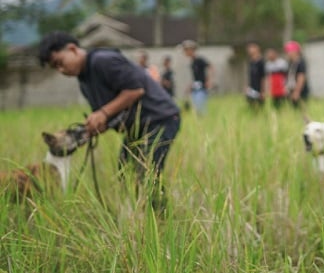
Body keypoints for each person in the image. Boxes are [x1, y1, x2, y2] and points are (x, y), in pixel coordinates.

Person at [38, 32, 180, 211]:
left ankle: (160, 219)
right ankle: (140, 215)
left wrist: (103, 113)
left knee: (147, 170)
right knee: (125, 171)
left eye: (60, 63)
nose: (61, 70)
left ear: (72, 49)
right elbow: (107, 117)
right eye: (55, 68)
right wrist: (88, 131)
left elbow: (136, 90)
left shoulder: (102, 61)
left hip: (160, 119)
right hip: (135, 127)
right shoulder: (84, 81)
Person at [181, 39, 214, 117]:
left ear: (192, 50)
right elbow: (196, 78)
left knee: (201, 107)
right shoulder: (192, 62)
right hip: (195, 88)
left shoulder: (199, 60)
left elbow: (211, 67)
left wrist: (209, 81)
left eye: (186, 50)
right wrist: (190, 87)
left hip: (201, 88)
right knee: (196, 109)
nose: (185, 52)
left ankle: (204, 121)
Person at [284, 40, 309, 109]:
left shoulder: (300, 62)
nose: (288, 53)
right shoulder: (291, 63)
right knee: (294, 109)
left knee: (302, 108)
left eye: (289, 51)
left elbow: (301, 77)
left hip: (300, 90)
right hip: (292, 89)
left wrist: (297, 91)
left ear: (295, 51)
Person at [245, 42, 267, 111]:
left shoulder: (261, 62)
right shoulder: (251, 62)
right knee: (251, 106)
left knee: (259, 108)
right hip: (251, 89)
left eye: (252, 47)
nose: (249, 50)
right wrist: (248, 86)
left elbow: (263, 77)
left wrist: (263, 91)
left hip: (259, 89)